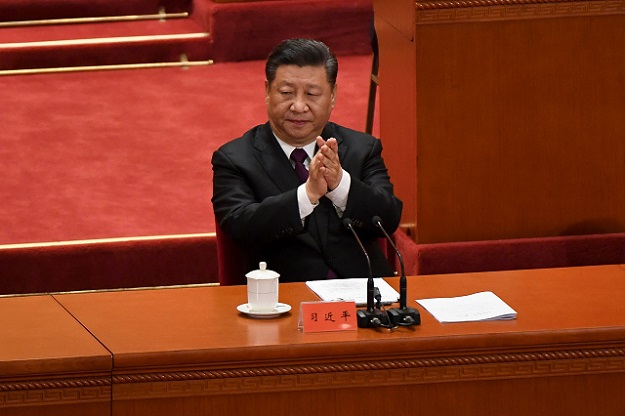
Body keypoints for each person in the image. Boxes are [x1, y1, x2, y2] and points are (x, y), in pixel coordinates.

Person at [211, 38, 402, 283]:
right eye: (287, 93)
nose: (299, 106)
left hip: (365, 298)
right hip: (283, 301)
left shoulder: (362, 148)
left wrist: (341, 184)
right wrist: (307, 194)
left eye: (312, 94)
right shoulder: (235, 159)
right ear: (267, 92)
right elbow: (241, 227)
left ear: (332, 96)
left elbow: (388, 218)